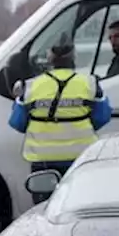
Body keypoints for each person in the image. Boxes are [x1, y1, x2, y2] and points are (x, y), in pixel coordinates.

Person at [10, 34, 112, 203]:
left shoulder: (30, 85)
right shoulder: (90, 83)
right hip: (80, 158)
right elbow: (102, 117)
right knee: (77, 205)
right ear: (74, 58)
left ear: (49, 59)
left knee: (45, 208)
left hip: (42, 160)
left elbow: (17, 122)